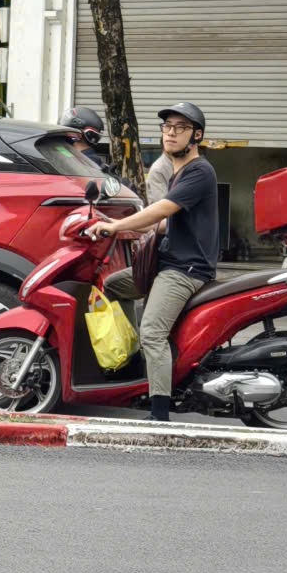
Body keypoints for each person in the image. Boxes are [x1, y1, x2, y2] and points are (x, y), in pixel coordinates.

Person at [93, 101, 218, 424]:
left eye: (180, 128)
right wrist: (118, 223)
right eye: (167, 127)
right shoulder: (177, 172)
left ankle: (159, 410)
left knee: (152, 332)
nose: (171, 133)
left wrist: (118, 226)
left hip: (185, 269)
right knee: (112, 285)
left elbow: (163, 210)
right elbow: (165, 222)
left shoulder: (199, 171)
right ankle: (136, 360)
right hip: (167, 260)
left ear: (197, 136)